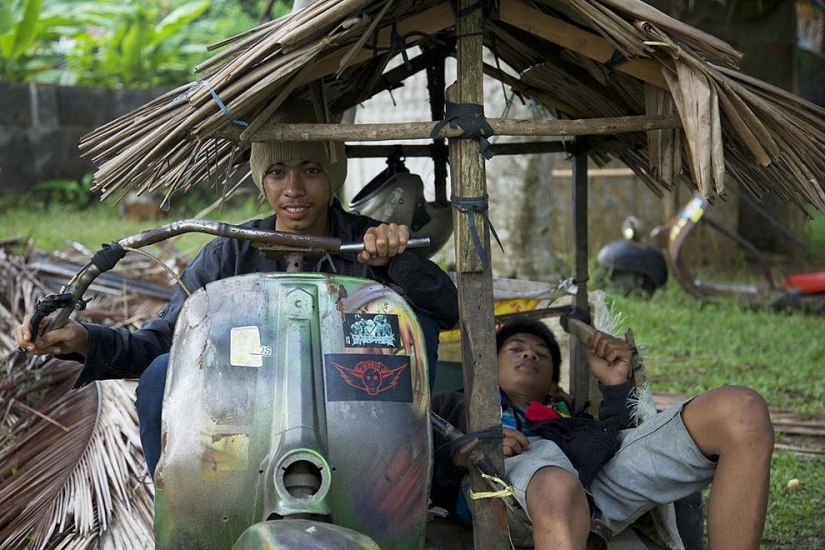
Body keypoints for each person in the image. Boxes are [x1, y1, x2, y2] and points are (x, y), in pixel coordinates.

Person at [15, 98, 459, 478]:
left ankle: (399, 496)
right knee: (159, 376)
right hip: (248, 413)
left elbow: (448, 309)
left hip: (357, 414)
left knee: (416, 325)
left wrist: (395, 262)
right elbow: (165, 341)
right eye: (278, 172)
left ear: (333, 175)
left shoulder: (369, 241)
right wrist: (82, 339)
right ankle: (183, 516)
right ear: (261, 179)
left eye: (311, 170)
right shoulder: (228, 253)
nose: (294, 189)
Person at [431, 318, 774, 550]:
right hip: (503, 489)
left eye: (541, 354)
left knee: (742, 410)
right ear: (488, 367)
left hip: (592, 480)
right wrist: (468, 450)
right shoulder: (453, 404)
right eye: (516, 348)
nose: (530, 353)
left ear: (552, 385)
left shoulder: (568, 417)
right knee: (557, 481)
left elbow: (619, 440)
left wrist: (614, 384)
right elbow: (420, 465)